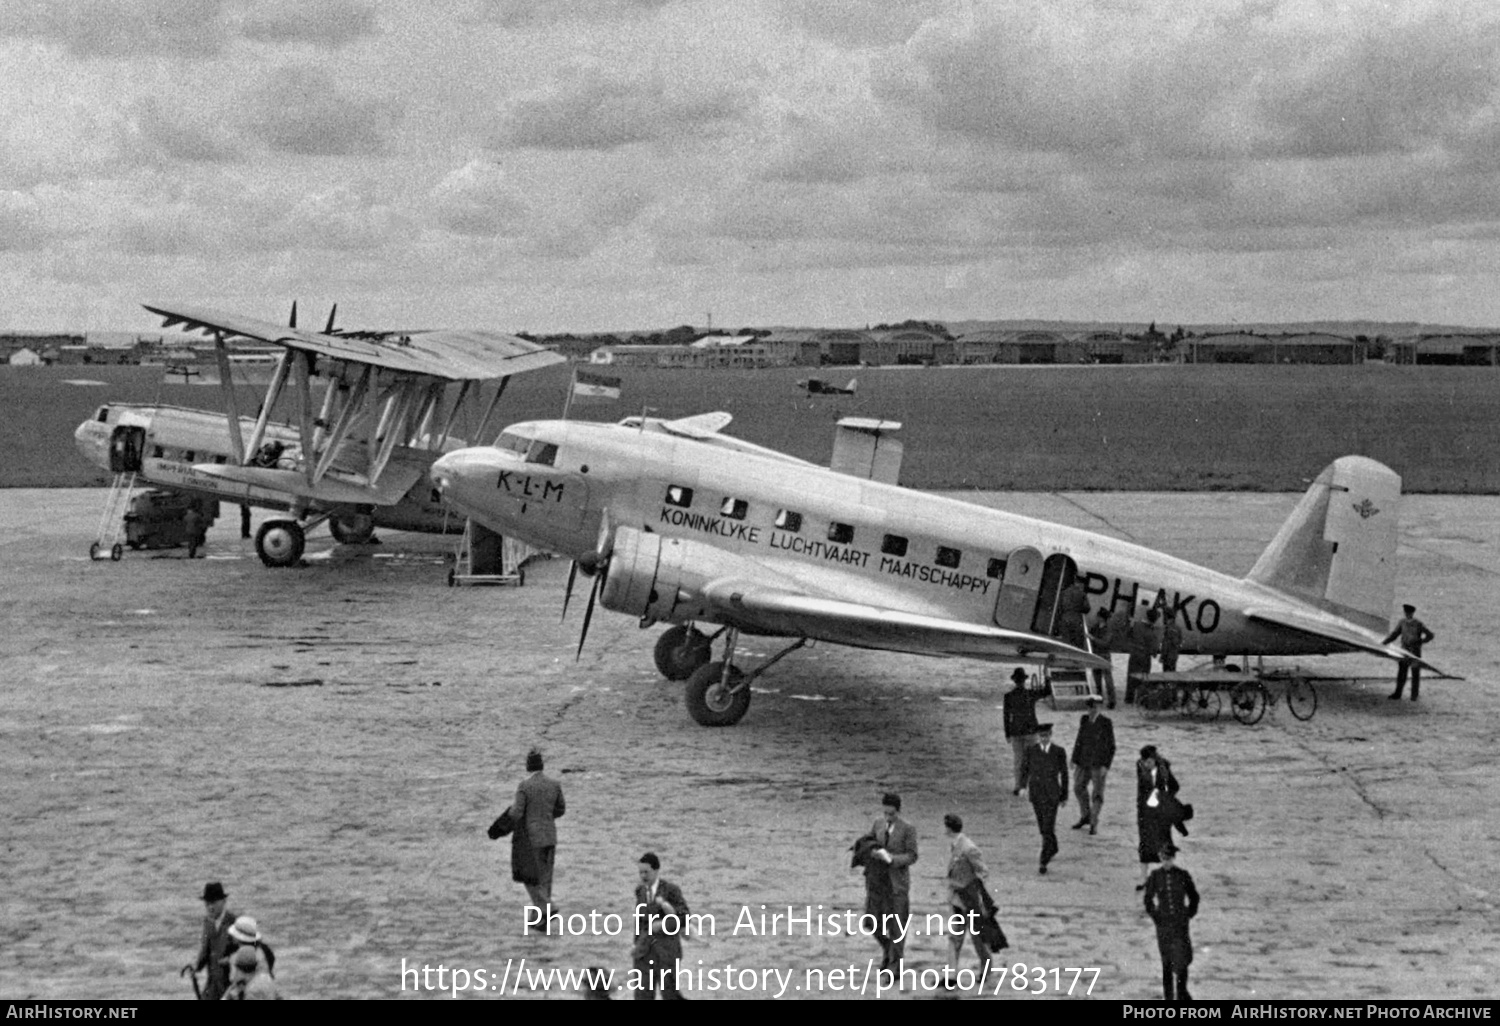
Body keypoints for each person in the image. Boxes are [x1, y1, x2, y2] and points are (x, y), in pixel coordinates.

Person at [863, 792, 918, 970]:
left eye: (892, 814)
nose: (888, 817)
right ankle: (888, 948)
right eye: (886, 813)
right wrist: (872, 853)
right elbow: (869, 843)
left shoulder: (907, 829)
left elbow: (912, 855)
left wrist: (892, 859)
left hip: (896, 884)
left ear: (898, 812)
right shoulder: (878, 823)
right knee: (871, 923)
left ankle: (895, 967)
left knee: (897, 927)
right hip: (878, 882)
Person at [507, 747, 565, 912]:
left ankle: (546, 907)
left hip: (532, 839)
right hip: (550, 835)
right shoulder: (554, 784)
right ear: (542, 765)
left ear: (528, 766)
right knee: (546, 878)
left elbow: (517, 812)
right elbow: (560, 809)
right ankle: (540, 916)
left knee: (528, 876)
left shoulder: (524, 786)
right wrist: (545, 817)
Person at [1143, 843, 1199, 1001]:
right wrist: (1156, 916)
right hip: (1164, 924)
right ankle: (1169, 996)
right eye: (1164, 859)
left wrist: (1189, 913)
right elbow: (1148, 900)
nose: (1167, 862)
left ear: (1173, 859)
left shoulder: (1182, 875)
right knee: (1166, 961)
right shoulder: (1155, 876)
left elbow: (1194, 896)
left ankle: (1181, 992)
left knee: (1182, 958)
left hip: (1180, 923)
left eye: (1169, 859)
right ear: (1161, 859)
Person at [632, 852, 689, 1000]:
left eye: (646, 872)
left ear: (656, 870)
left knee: (669, 995)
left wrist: (662, 925)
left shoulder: (671, 890)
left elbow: (684, 917)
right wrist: (635, 944)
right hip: (644, 952)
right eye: (640, 872)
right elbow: (639, 921)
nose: (643, 876)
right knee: (642, 995)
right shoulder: (640, 891)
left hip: (667, 952)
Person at [943, 813, 993, 975]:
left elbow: (983, 871)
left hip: (969, 899)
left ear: (949, 829)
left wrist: (972, 887)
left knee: (977, 937)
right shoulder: (956, 844)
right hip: (957, 898)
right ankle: (951, 975)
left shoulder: (968, 847)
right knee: (954, 937)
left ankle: (987, 966)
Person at [1018, 723, 1069, 874]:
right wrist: (1022, 786)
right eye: (1042, 736)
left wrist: (1064, 795)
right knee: (1043, 826)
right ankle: (1053, 846)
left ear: (1050, 735)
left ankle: (1044, 859)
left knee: (1047, 826)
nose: (1044, 739)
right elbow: (1024, 769)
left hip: (1052, 794)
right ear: (1039, 737)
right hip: (1036, 793)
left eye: (1046, 736)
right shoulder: (1031, 751)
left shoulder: (1058, 751)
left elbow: (1064, 774)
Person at [1136, 746, 1181, 890]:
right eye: (1144, 762)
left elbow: (1175, 786)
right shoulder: (1140, 767)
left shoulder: (1164, 768)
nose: (1146, 764)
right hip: (1146, 812)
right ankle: (1143, 877)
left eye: (1149, 761)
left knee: (1165, 842)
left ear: (1154, 759)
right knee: (1144, 843)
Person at [1070, 695, 1116, 835]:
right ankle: (1086, 816)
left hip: (1098, 764)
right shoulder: (1084, 720)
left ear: (1100, 707)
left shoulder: (1106, 722)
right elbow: (1079, 740)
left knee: (1097, 794)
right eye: (1091, 708)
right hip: (1083, 762)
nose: (1093, 710)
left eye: (1096, 707)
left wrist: (1106, 766)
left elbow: (1111, 746)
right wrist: (1074, 758)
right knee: (1078, 788)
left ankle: (1093, 822)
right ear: (1088, 708)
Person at [187, 881, 237, 1001]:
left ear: (223, 902)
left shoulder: (234, 922)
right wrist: (196, 968)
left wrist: (230, 960)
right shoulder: (207, 922)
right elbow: (205, 950)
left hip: (230, 984)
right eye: (207, 903)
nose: (210, 907)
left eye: (213, 902)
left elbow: (246, 951)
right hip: (212, 983)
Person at [1382, 604, 1435, 702]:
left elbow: (1430, 635)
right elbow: (1394, 634)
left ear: (1412, 613)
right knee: (1402, 673)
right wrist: (1384, 643)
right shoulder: (1402, 622)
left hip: (1415, 652)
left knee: (1415, 674)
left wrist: (1421, 641)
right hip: (1404, 651)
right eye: (1406, 612)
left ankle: (1414, 696)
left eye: (1409, 612)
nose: (1407, 614)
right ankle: (1398, 693)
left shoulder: (1418, 623)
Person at [1002, 668, 1040, 795]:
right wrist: (1047, 677)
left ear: (1015, 681)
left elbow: (1006, 716)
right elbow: (1047, 691)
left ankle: (1018, 786)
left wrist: (1007, 733)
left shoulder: (1009, 696)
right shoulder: (1031, 694)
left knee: (1018, 760)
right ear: (1024, 681)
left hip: (1016, 731)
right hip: (1030, 730)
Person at [1125, 605, 1161, 703]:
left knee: (1131, 676)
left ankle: (1129, 698)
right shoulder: (1152, 632)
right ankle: (1141, 699)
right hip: (1144, 657)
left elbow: (1128, 634)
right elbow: (1154, 649)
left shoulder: (1136, 625)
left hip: (1134, 654)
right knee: (1144, 678)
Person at [1089, 607, 1117, 708]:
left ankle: (1112, 700)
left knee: (1107, 679)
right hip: (1097, 655)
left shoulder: (1107, 629)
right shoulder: (1096, 627)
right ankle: (1100, 697)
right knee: (1098, 678)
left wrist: (1093, 639)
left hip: (1103, 655)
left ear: (1101, 618)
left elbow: (1105, 643)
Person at [1055, 579, 1091, 649]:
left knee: (1065, 639)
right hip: (1076, 619)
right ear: (1080, 584)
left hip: (1065, 617)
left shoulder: (1065, 592)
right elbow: (1087, 608)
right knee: (1076, 642)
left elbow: (1059, 607)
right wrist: (1078, 608)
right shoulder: (1082, 593)